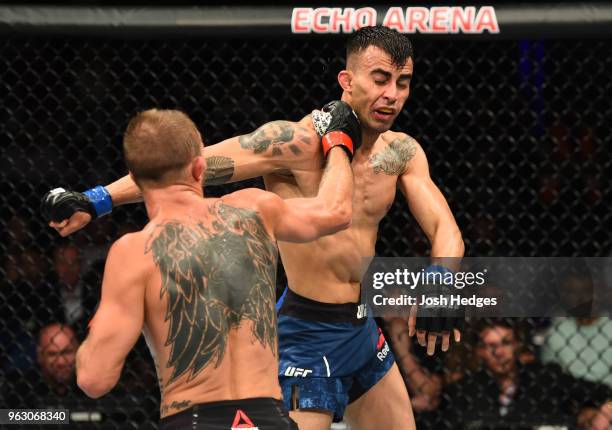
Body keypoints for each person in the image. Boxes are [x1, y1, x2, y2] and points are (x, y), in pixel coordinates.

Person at [43, 26, 463, 429]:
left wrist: (442, 276)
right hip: (305, 333)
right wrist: (97, 199)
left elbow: (445, 226)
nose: (392, 94)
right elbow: (186, 165)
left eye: (403, 82)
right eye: (381, 79)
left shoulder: (401, 152)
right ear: (347, 81)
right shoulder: (296, 144)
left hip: (362, 326)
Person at [69, 108, 355, 429]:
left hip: (193, 419)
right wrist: (339, 142)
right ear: (200, 167)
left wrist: (98, 326)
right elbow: (337, 210)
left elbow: (94, 379)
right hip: (268, 417)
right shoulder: (254, 210)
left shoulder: (134, 253)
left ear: (134, 179)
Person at [437, 320, 612, 430]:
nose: (499, 352)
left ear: (517, 345)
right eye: (490, 346)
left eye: (506, 343)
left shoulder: (545, 378)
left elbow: (600, 392)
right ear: (479, 351)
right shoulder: (466, 389)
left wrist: (592, 414)